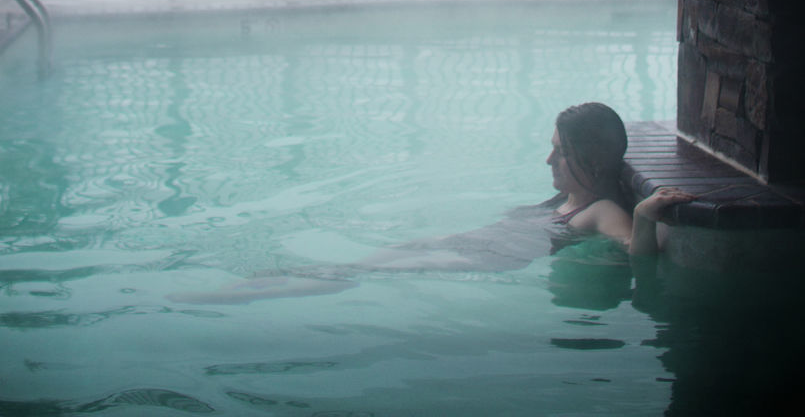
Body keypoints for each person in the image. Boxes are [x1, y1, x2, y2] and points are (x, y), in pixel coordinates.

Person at [169, 101, 689, 303]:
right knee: (352, 266)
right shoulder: (568, 196)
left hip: (482, 260)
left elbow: (635, 251)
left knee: (356, 274)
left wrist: (644, 215)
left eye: (559, 153)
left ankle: (225, 297)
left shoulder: (598, 209)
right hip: (468, 245)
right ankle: (246, 286)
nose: (547, 163)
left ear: (589, 160)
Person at [545, 101, 692, 257]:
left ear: (595, 161)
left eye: (563, 152)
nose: (549, 160)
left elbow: (633, 250)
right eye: (553, 148)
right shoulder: (567, 200)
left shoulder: (603, 211)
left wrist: (642, 216)